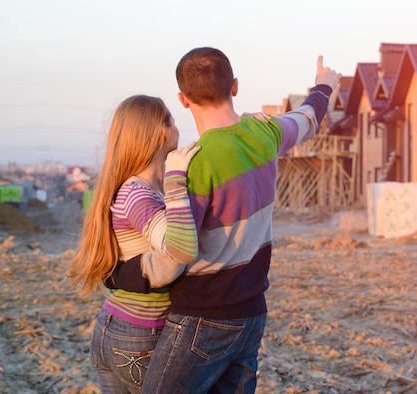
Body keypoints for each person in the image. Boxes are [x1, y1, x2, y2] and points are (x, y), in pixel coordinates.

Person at [106, 48, 342, 393]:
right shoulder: (267, 133)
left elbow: (177, 250)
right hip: (252, 314)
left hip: (203, 315)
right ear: (234, 86)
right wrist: (323, 85)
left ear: (183, 100)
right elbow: (308, 119)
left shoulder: (192, 165)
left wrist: (118, 273)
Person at [67, 94, 200, 393]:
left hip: (117, 327)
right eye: (173, 120)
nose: (179, 127)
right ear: (162, 131)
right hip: (140, 334)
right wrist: (178, 178)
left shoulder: (137, 189)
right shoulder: (138, 195)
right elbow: (177, 246)